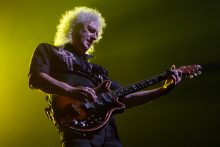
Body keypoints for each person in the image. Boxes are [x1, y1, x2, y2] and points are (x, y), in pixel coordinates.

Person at [28, 6, 182, 147]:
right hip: (78, 128)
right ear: (74, 27)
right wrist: (70, 90)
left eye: (97, 34)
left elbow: (125, 98)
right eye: (90, 30)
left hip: (109, 134)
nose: (94, 37)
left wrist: (162, 90)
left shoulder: (98, 70)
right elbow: (36, 79)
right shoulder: (49, 51)